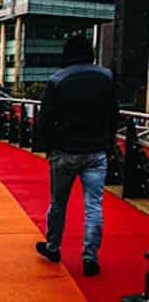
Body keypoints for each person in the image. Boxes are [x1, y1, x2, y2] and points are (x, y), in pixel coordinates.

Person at [36, 33, 119, 276]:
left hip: (64, 151)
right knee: (94, 206)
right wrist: (108, 143)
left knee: (58, 203)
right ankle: (90, 256)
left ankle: (53, 247)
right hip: (96, 151)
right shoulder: (106, 77)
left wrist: (50, 147)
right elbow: (113, 114)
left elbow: (45, 119)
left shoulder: (58, 79)